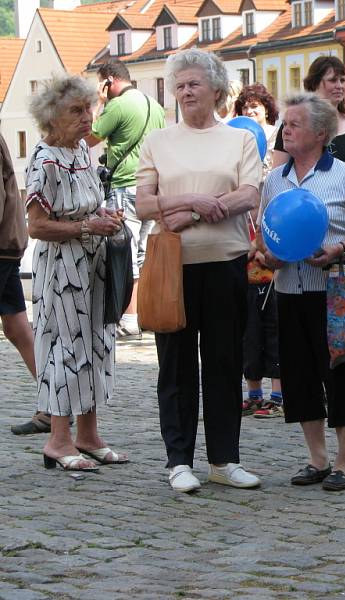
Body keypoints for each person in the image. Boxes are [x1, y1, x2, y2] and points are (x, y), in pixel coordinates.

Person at [136, 49, 262, 493]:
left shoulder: (239, 140)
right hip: (174, 268)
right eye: (180, 85)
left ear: (215, 90)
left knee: (224, 363)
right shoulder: (158, 141)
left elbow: (249, 194)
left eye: (194, 84)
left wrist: (194, 213)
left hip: (226, 264)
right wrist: (189, 203)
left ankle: (224, 459)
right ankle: (179, 460)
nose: (186, 92)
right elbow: (143, 203)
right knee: (176, 365)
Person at [258, 93, 345, 492]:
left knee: (340, 376)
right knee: (298, 378)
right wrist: (267, 256)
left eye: (294, 123)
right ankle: (317, 458)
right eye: (284, 123)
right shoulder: (275, 180)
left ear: (321, 133)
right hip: (289, 291)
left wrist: (339, 248)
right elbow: (267, 234)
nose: (285, 129)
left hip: (334, 294)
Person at [26, 76, 128, 471]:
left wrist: (104, 216)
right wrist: (87, 227)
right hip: (62, 267)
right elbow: (37, 226)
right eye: (76, 111)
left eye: (89, 109)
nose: (88, 118)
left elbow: (89, 203)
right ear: (52, 117)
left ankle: (88, 435)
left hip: (94, 263)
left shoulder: (82, 151)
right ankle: (58, 439)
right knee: (64, 348)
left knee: (97, 343)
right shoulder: (44, 159)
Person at [87, 59, 166, 340]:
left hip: (124, 187)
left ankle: (129, 318)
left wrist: (99, 102)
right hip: (151, 188)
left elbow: (89, 137)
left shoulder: (118, 105)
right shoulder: (154, 106)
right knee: (144, 253)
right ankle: (143, 312)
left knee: (125, 252)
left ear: (109, 80)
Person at [233, 83, 283, 418]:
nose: (251, 112)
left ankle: (277, 396)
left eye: (256, 107)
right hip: (244, 257)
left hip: (273, 256)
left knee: (275, 330)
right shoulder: (233, 149)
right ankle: (253, 393)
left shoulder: (275, 160)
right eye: (245, 107)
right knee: (247, 332)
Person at [272, 55, 345, 195]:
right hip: (305, 206)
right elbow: (278, 177)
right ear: (314, 84)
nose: (339, 86)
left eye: (342, 80)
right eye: (332, 80)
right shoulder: (292, 124)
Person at [1, 132, 44, 435]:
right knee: (16, 326)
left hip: (2, 245)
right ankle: (52, 408)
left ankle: (54, 407)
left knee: (17, 325)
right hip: (6, 243)